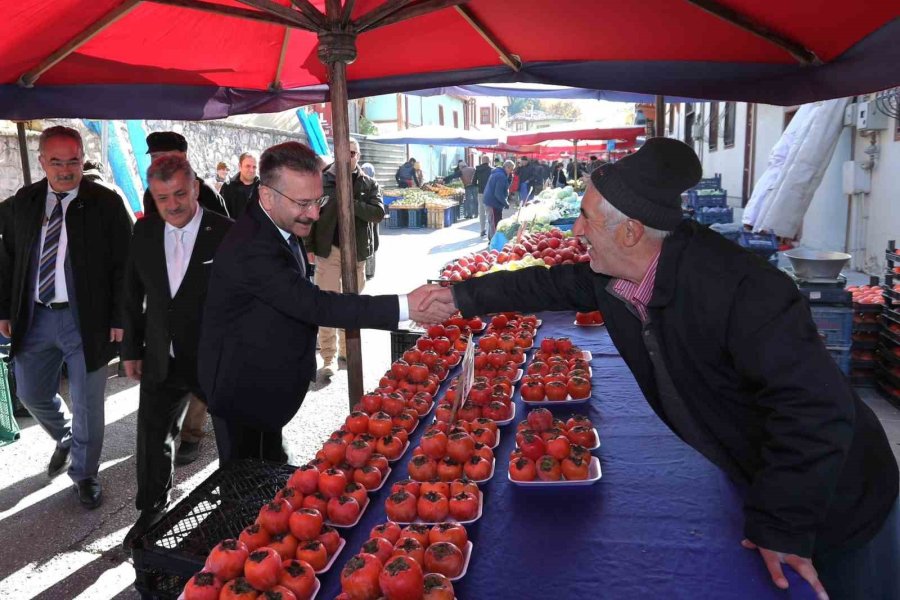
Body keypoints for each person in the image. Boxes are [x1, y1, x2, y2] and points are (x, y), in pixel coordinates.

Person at [422, 138, 899, 600]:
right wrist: (460, 297)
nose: (576, 232)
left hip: (839, 497)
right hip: (762, 470)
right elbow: (548, 285)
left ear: (630, 231)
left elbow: (815, 411)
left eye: (586, 219)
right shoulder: (632, 269)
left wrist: (783, 524)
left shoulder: (746, 292)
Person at [197, 141, 454, 463]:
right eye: (303, 203)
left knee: (271, 465)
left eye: (319, 200)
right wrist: (406, 306)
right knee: (247, 485)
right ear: (267, 195)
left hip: (263, 382)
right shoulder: (251, 245)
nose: (315, 213)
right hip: (243, 389)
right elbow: (313, 304)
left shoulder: (272, 222)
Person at [0, 126, 132, 508]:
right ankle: (65, 436)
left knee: (88, 402)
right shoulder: (23, 203)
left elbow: (125, 264)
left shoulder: (105, 203)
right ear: (42, 161)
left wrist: (121, 317)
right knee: (31, 391)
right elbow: (6, 260)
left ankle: (85, 474)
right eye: (56, 162)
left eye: (72, 160)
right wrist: (5, 309)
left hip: (85, 319)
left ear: (82, 160)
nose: (65, 169)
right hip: (35, 315)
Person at [120, 155, 232, 549]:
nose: (172, 205)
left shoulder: (227, 233)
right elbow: (132, 294)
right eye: (162, 196)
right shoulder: (145, 231)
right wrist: (131, 349)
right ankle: (152, 508)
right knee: (152, 437)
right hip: (161, 355)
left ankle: (238, 504)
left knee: (236, 433)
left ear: (196, 188)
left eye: (180, 194)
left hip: (214, 359)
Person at [304, 139, 385, 378]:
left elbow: (378, 213)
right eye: (343, 151)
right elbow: (309, 215)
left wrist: (350, 201)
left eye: (352, 152)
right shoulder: (321, 180)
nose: (347, 156)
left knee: (351, 304)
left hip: (356, 252)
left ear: (358, 156)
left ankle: (346, 353)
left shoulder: (368, 183)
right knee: (326, 304)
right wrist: (309, 246)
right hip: (328, 250)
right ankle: (328, 357)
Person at [141, 132, 229, 218]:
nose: (159, 162)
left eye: (165, 156)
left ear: (183, 156)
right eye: (154, 156)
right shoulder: (151, 193)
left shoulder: (206, 192)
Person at [220, 152, 259, 219]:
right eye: (248, 166)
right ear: (240, 166)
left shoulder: (263, 187)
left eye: (254, 167)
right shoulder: (228, 187)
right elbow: (221, 214)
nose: (251, 170)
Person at [482, 160, 514, 239]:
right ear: (507, 167)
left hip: (490, 201)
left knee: (492, 222)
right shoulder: (501, 176)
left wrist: (509, 179)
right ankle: (494, 242)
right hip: (493, 203)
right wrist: (505, 203)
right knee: (495, 223)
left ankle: (491, 239)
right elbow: (498, 193)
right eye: (511, 169)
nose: (511, 171)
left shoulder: (498, 173)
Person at [474, 155, 492, 237]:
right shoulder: (491, 170)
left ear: (481, 161)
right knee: (489, 211)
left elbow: (473, 182)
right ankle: (490, 230)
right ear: (488, 161)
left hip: (480, 192)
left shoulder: (477, 170)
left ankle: (482, 229)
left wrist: (479, 185)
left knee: (481, 211)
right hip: (489, 192)